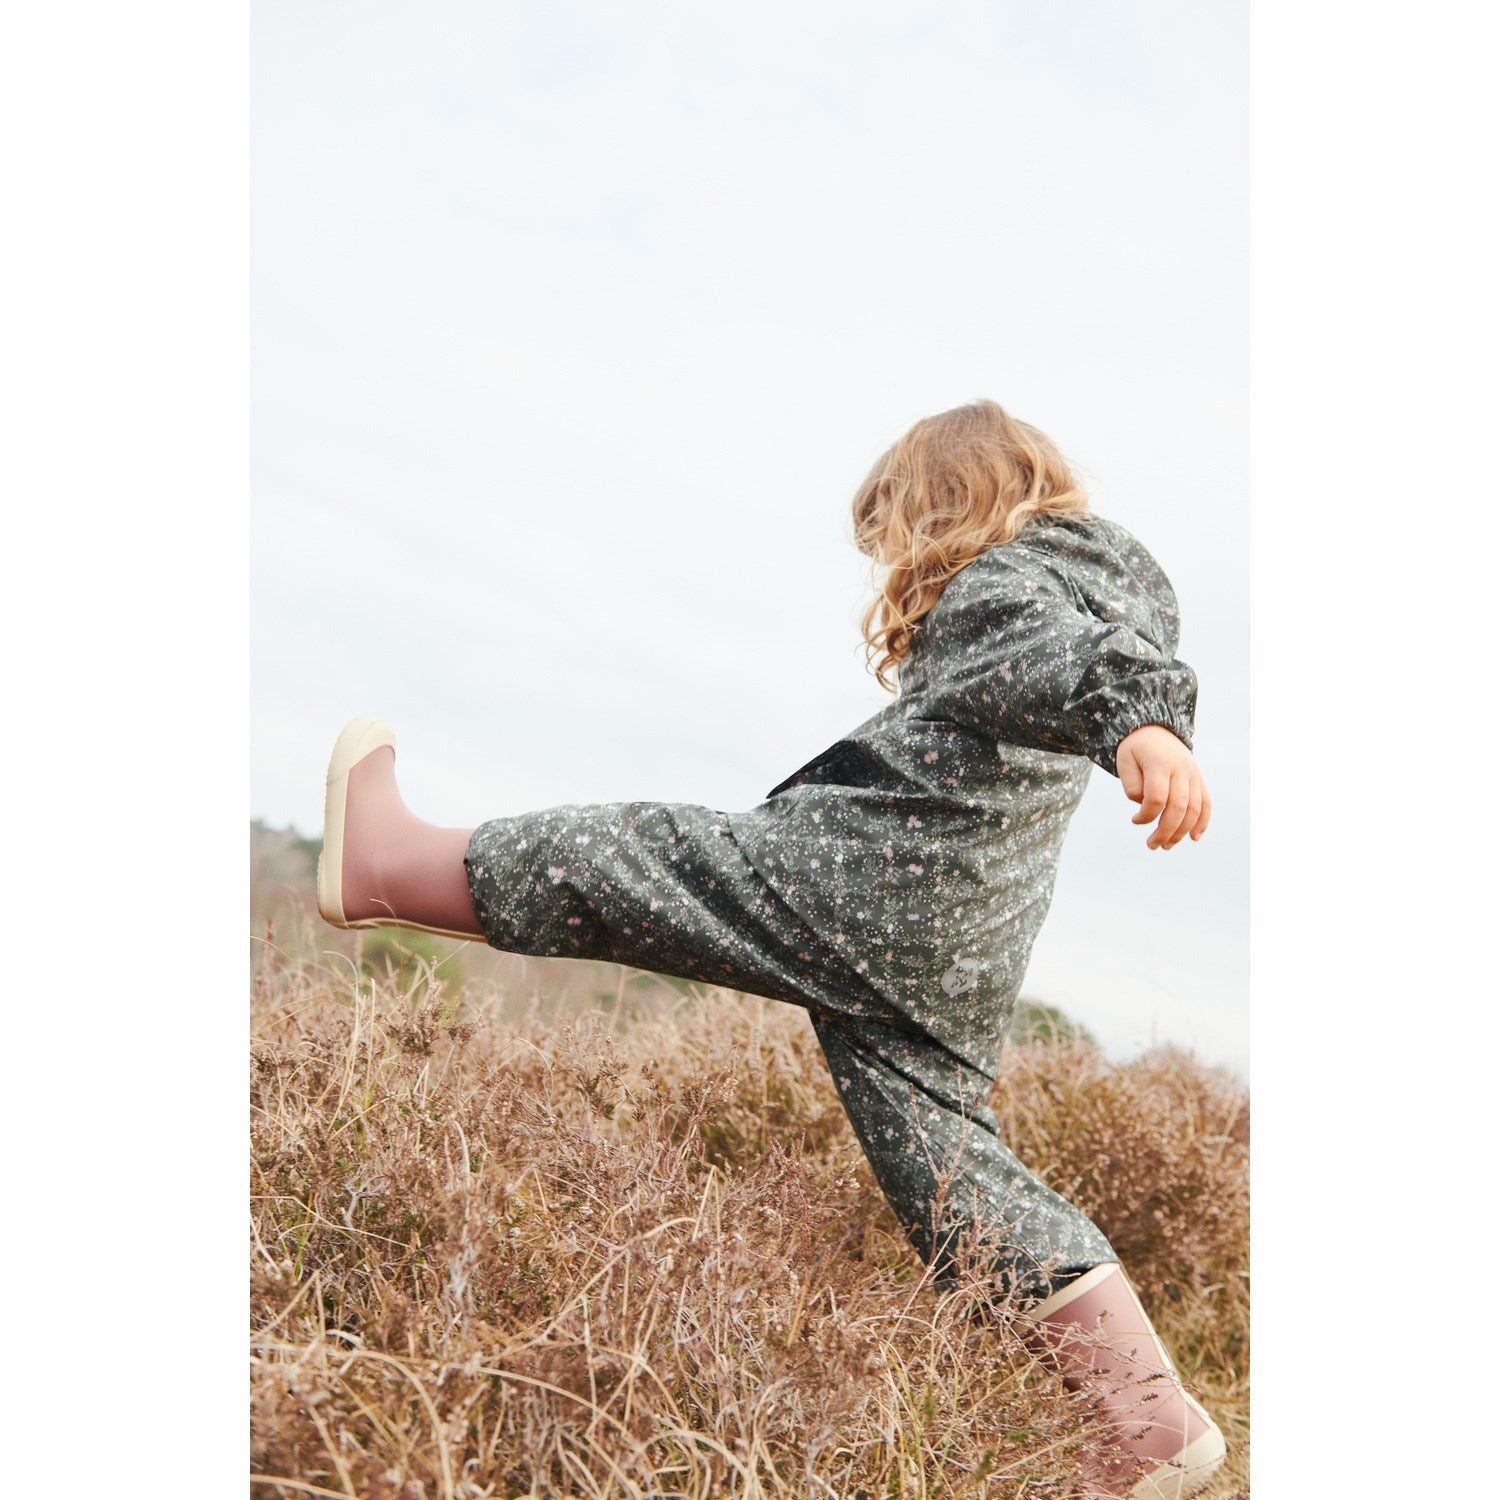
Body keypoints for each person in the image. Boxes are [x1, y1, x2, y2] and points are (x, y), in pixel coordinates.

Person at [315, 398, 1226, 1497]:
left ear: (951, 502)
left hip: (869, 883)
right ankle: (1147, 1419)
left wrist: (1143, 719)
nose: (894, 559)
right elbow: (1072, 657)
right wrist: (1136, 711)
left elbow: (1050, 654)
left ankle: (386, 865)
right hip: (963, 953)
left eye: (897, 528)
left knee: (634, 856)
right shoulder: (1102, 589)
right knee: (952, 1170)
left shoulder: (1005, 584)